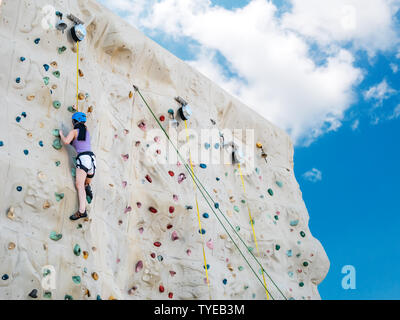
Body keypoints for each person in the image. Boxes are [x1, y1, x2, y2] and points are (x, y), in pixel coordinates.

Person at [59, 112, 96, 221]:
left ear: (74, 121)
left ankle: (82, 211)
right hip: (92, 159)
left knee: (79, 185)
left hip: (83, 159)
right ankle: (87, 186)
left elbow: (66, 142)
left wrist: (61, 134)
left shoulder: (74, 131)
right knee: (85, 183)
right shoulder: (86, 131)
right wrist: (77, 111)